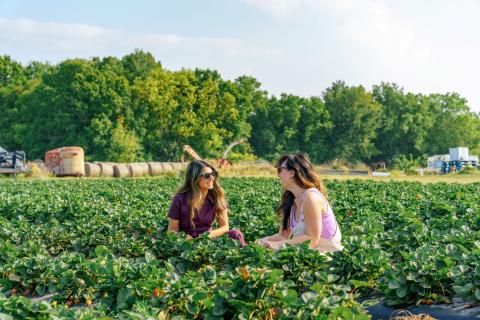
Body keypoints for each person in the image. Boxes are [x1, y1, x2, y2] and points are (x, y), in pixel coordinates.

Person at [256, 153, 343, 253]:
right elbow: (283, 235)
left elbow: (312, 238)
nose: (278, 174)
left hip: (329, 258)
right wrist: (263, 241)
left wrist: (277, 245)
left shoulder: (311, 197)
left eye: (280, 170)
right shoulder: (291, 200)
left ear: (292, 173)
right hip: (307, 254)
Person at [167, 159, 246, 246]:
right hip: (187, 244)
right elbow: (172, 229)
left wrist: (207, 236)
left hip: (209, 241)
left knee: (236, 234)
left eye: (213, 174)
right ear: (195, 178)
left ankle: (243, 257)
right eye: (207, 175)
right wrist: (181, 238)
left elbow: (225, 227)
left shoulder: (216, 196)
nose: (212, 178)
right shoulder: (180, 198)